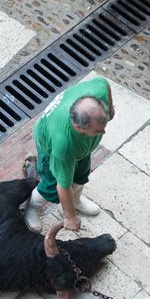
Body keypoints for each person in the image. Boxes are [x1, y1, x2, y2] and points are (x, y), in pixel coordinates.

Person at [25, 76, 114, 232]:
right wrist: (70, 217)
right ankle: (32, 208)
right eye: (98, 131)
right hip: (49, 145)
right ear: (79, 128)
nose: (104, 131)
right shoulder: (64, 145)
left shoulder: (98, 92)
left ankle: (76, 201)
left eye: (104, 122)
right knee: (51, 186)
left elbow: (104, 82)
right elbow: (63, 185)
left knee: (80, 175)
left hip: (82, 147)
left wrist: (111, 108)